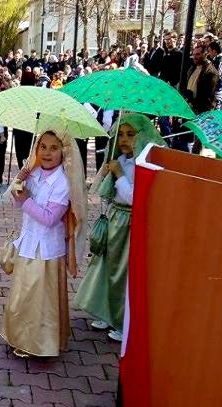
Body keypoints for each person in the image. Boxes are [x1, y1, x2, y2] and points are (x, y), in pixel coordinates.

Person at [76, 114, 165, 342]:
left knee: (122, 272)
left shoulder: (143, 165)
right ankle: (106, 311)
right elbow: (106, 192)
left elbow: (135, 198)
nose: (124, 140)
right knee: (107, 267)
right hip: (116, 219)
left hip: (130, 223)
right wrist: (109, 172)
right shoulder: (121, 159)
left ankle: (121, 320)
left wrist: (119, 174)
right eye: (120, 134)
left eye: (131, 134)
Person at [1, 129, 88, 358]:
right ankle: (19, 336)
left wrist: (26, 201)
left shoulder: (63, 182)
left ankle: (39, 343)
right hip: (28, 243)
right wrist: (20, 181)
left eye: (54, 148)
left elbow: (50, 218)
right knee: (23, 294)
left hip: (46, 251)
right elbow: (16, 202)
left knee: (40, 300)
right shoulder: (34, 172)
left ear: (64, 152)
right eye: (43, 147)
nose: (47, 153)